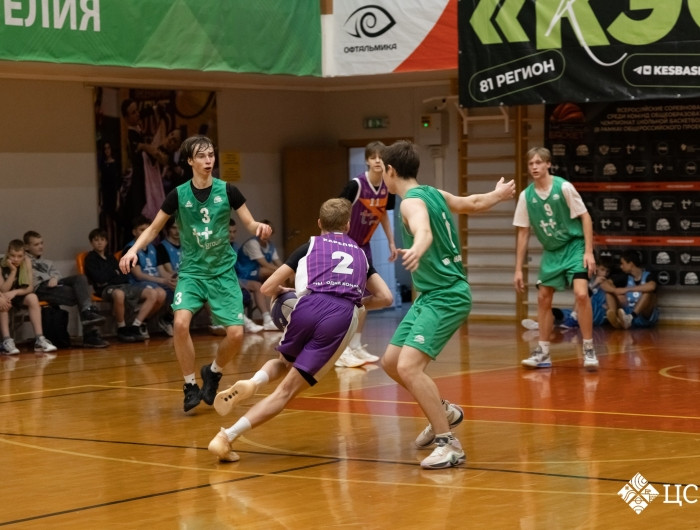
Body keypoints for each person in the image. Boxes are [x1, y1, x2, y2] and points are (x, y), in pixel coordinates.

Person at [207, 197, 393, 462]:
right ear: (348, 226)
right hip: (339, 316)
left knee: (284, 363)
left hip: (306, 307)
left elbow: (267, 288)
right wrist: (357, 302)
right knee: (285, 392)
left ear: (319, 223)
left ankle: (253, 382)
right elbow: (386, 297)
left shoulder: (309, 246)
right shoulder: (360, 254)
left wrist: (287, 291)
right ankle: (226, 437)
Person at [378, 140, 515, 469]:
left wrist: (418, 247)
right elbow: (472, 202)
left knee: (409, 367)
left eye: (382, 170)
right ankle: (444, 412)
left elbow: (423, 230)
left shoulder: (411, 203)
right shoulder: (434, 193)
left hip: (446, 295)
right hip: (429, 295)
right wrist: (497, 195)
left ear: (391, 171)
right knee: (392, 362)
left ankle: (448, 443)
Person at [119, 135, 273, 412]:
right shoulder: (178, 195)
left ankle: (213, 373)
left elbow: (249, 223)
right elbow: (153, 229)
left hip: (222, 272)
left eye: (211, 155)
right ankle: (190, 385)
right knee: (180, 324)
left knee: (236, 335)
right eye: (201, 156)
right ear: (190, 161)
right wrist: (133, 251)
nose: (208, 160)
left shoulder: (228, 191)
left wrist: (259, 227)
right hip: (191, 272)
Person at [514, 147, 599, 371]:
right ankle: (543, 352)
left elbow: (586, 217)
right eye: (531, 163)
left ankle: (588, 348)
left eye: (538, 162)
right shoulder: (526, 196)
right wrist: (518, 268)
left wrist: (588, 251)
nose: (534, 167)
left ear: (548, 164)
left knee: (581, 294)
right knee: (543, 298)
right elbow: (523, 232)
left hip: (574, 246)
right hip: (552, 251)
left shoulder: (564, 187)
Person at [335, 141, 398, 368]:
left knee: (364, 298)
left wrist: (391, 241)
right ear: (367, 161)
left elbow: (382, 215)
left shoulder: (387, 187)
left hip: (364, 246)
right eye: (374, 157)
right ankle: (341, 349)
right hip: (346, 246)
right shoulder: (356, 185)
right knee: (350, 298)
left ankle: (355, 345)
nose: (378, 160)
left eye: (381, 157)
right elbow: (337, 212)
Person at [23, 230, 109, 348]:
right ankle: (90, 333)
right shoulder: (23, 260)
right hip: (41, 288)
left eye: (41, 243)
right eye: (36, 244)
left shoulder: (46, 262)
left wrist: (55, 278)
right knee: (81, 293)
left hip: (54, 284)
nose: (41, 246)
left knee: (80, 278)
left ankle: (87, 312)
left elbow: (57, 274)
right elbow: (30, 278)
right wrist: (50, 278)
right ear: (27, 247)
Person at [84, 228, 161, 343]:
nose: (99, 243)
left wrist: (112, 274)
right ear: (91, 242)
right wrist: (113, 273)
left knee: (152, 293)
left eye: (102, 240)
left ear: (106, 242)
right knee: (119, 294)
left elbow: (123, 275)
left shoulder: (111, 257)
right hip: (105, 289)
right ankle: (122, 328)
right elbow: (99, 278)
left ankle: (136, 326)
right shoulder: (90, 258)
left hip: (123, 285)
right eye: (96, 240)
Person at [0, 239, 58, 354]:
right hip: (3, 295)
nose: (16, 259)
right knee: (4, 302)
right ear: (7, 254)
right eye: (12, 256)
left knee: (33, 298)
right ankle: (7, 341)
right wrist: (13, 271)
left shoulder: (26, 261)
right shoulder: (1, 264)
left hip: (17, 293)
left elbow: (30, 288)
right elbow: (3, 289)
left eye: (19, 256)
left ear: (24, 256)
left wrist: (15, 292)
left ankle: (40, 339)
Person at [208, 219, 263, 335]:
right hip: (215, 280)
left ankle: (267, 318)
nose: (232, 235)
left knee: (256, 285)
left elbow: (237, 269)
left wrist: (240, 281)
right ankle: (242, 320)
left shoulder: (236, 247)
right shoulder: (214, 246)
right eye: (229, 232)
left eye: (234, 232)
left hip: (234, 279)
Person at [521, 260, 611, 331]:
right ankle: (538, 324)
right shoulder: (590, 280)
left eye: (607, 271)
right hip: (580, 310)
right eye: (602, 270)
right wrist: (594, 284)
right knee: (555, 312)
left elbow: (612, 293)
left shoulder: (607, 283)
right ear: (596, 268)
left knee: (583, 294)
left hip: (595, 314)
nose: (604, 273)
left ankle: (571, 318)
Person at [235, 218, 284, 331]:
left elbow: (279, 263)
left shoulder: (270, 246)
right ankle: (269, 318)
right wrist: (283, 272)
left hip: (256, 275)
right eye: (262, 231)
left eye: (268, 231)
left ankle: (278, 313)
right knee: (273, 273)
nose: (265, 234)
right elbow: (264, 264)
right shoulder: (252, 243)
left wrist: (290, 272)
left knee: (280, 278)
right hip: (244, 274)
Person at [603, 250, 659, 329]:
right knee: (609, 293)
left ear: (631, 264)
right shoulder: (625, 276)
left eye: (623, 263)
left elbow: (652, 286)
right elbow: (604, 284)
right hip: (627, 311)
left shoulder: (648, 275)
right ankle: (615, 318)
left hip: (644, 315)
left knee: (647, 293)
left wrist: (627, 289)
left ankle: (630, 317)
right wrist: (615, 291)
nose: (621, 266)